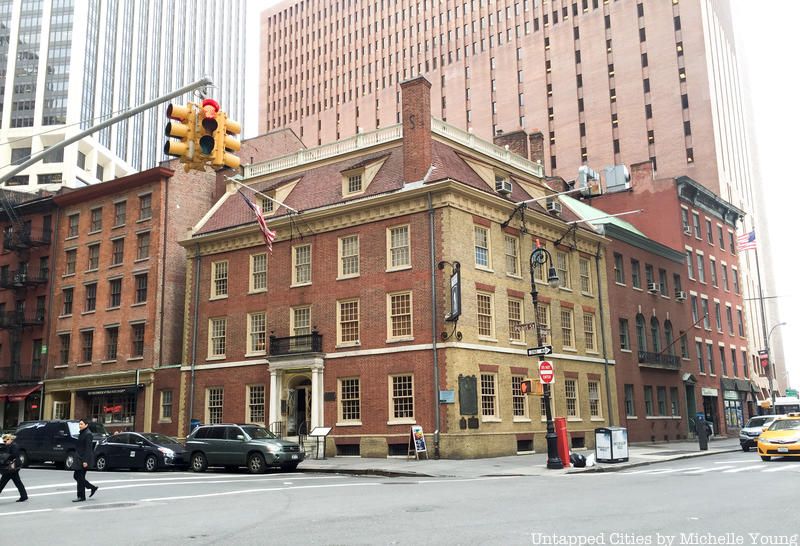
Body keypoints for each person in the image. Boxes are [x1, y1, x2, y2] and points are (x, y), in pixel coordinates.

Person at [72, 419, 98, 502]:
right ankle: (92, 487)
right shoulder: (82, 433)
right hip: (80, 458)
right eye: (79, 424)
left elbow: (88, 449)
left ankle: (81, 496)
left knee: (79, 477)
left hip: (84, 459)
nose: (80, 425)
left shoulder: (88, 434)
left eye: (81, 424)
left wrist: (85, 461)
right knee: (77, 476)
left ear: (86, 425)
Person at [0, 433, 28, 502]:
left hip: (11, 467)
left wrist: (4, 457)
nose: (4, 442)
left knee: (2, 483)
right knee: (17, 482)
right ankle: (24, 496)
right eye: (4, 441)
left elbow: (13, 455)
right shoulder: (10, 445)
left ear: (10, 439)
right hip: (12, 468)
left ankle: (24, 496)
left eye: (5, 441)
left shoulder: (14, 446)